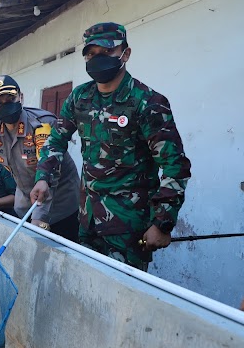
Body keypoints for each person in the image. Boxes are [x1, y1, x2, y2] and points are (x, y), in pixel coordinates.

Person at [31, 22, 192, 271]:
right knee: (85, 288)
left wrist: (162, 223)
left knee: (121, 299)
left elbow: (175, 166)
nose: (97, 59)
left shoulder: (147, 102)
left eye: (106, 52)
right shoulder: (79, 98)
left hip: (128, 226)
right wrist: (43, 177)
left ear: (125, 54)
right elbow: (56, 140)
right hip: (87, 220)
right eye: (91, 54)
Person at [0, 75, 80, 242]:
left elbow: (50, 175)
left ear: (21, 97)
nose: (7, 105)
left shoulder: (42, 124)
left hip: (61, 206)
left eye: (11, 98)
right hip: (25, 205)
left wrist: (38, 220)